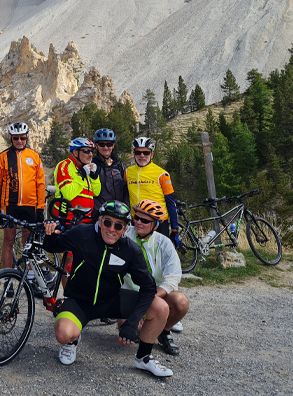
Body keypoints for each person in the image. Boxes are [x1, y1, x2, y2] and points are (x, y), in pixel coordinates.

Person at [42, 200, 173, 377]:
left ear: (126, 229)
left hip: (112, 301)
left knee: (161, 307)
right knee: (64, 334)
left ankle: (143, 358)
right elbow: (52, 246)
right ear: (100, 221)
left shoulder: (131, 250)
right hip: (80, 302)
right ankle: (72, 341)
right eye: (107, 222)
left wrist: (133, 321)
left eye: (118, 225)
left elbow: (148, 288)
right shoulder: (83, 234)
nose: (112, 229)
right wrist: (50, 233)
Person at [122, 199, 189, 356]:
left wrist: (151, 297)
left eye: (144, 220)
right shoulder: (124, 235)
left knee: (181, 302)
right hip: (130, 294)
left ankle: (164, 332)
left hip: (154, 294)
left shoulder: (164, 243)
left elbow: (173, 278)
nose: (138, 222)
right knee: (130, 328)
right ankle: (148, 328)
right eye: (136, 218)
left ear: (156, 225)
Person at [0, 121, 46, 292]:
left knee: (28, 243)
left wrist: (40, 207)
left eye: (22, 138)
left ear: (27, 137)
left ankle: (30, 279)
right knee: (8, 241)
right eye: (16, 138)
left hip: (31, 206)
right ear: (11, 138)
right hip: (10, 205)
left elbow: (40, 184)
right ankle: (8, 280)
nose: (19, 141)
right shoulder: (3, 157)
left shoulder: (35, 156)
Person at [125, 137, 180, 246]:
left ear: (152, 155)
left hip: (158, 222)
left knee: (158, 257)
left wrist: (175, 229)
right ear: (134, 154)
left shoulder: (162, 174)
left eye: (146, 152)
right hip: (137, 221)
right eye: (138, 152)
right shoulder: (128, 172)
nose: (142, 156)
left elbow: (170, 202)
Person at [51, 138, 100, 224]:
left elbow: (96, 192)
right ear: (75, 152)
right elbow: (68, 194)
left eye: (91, 151)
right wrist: (81, 176)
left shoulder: (85, 168)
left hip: (86, 219)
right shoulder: (64, 166)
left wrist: (94, 177)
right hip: (68, 219)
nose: (90, 155)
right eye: (86, 151)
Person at [92, 128, 129, 218]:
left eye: (109, 144)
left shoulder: (119, 165)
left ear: (113, 145)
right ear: (96, 146)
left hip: (119, 212)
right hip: (100, 213)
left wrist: (126, 208)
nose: (105, 147)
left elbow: (125, 188)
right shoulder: (93, 165)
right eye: (102, 144)